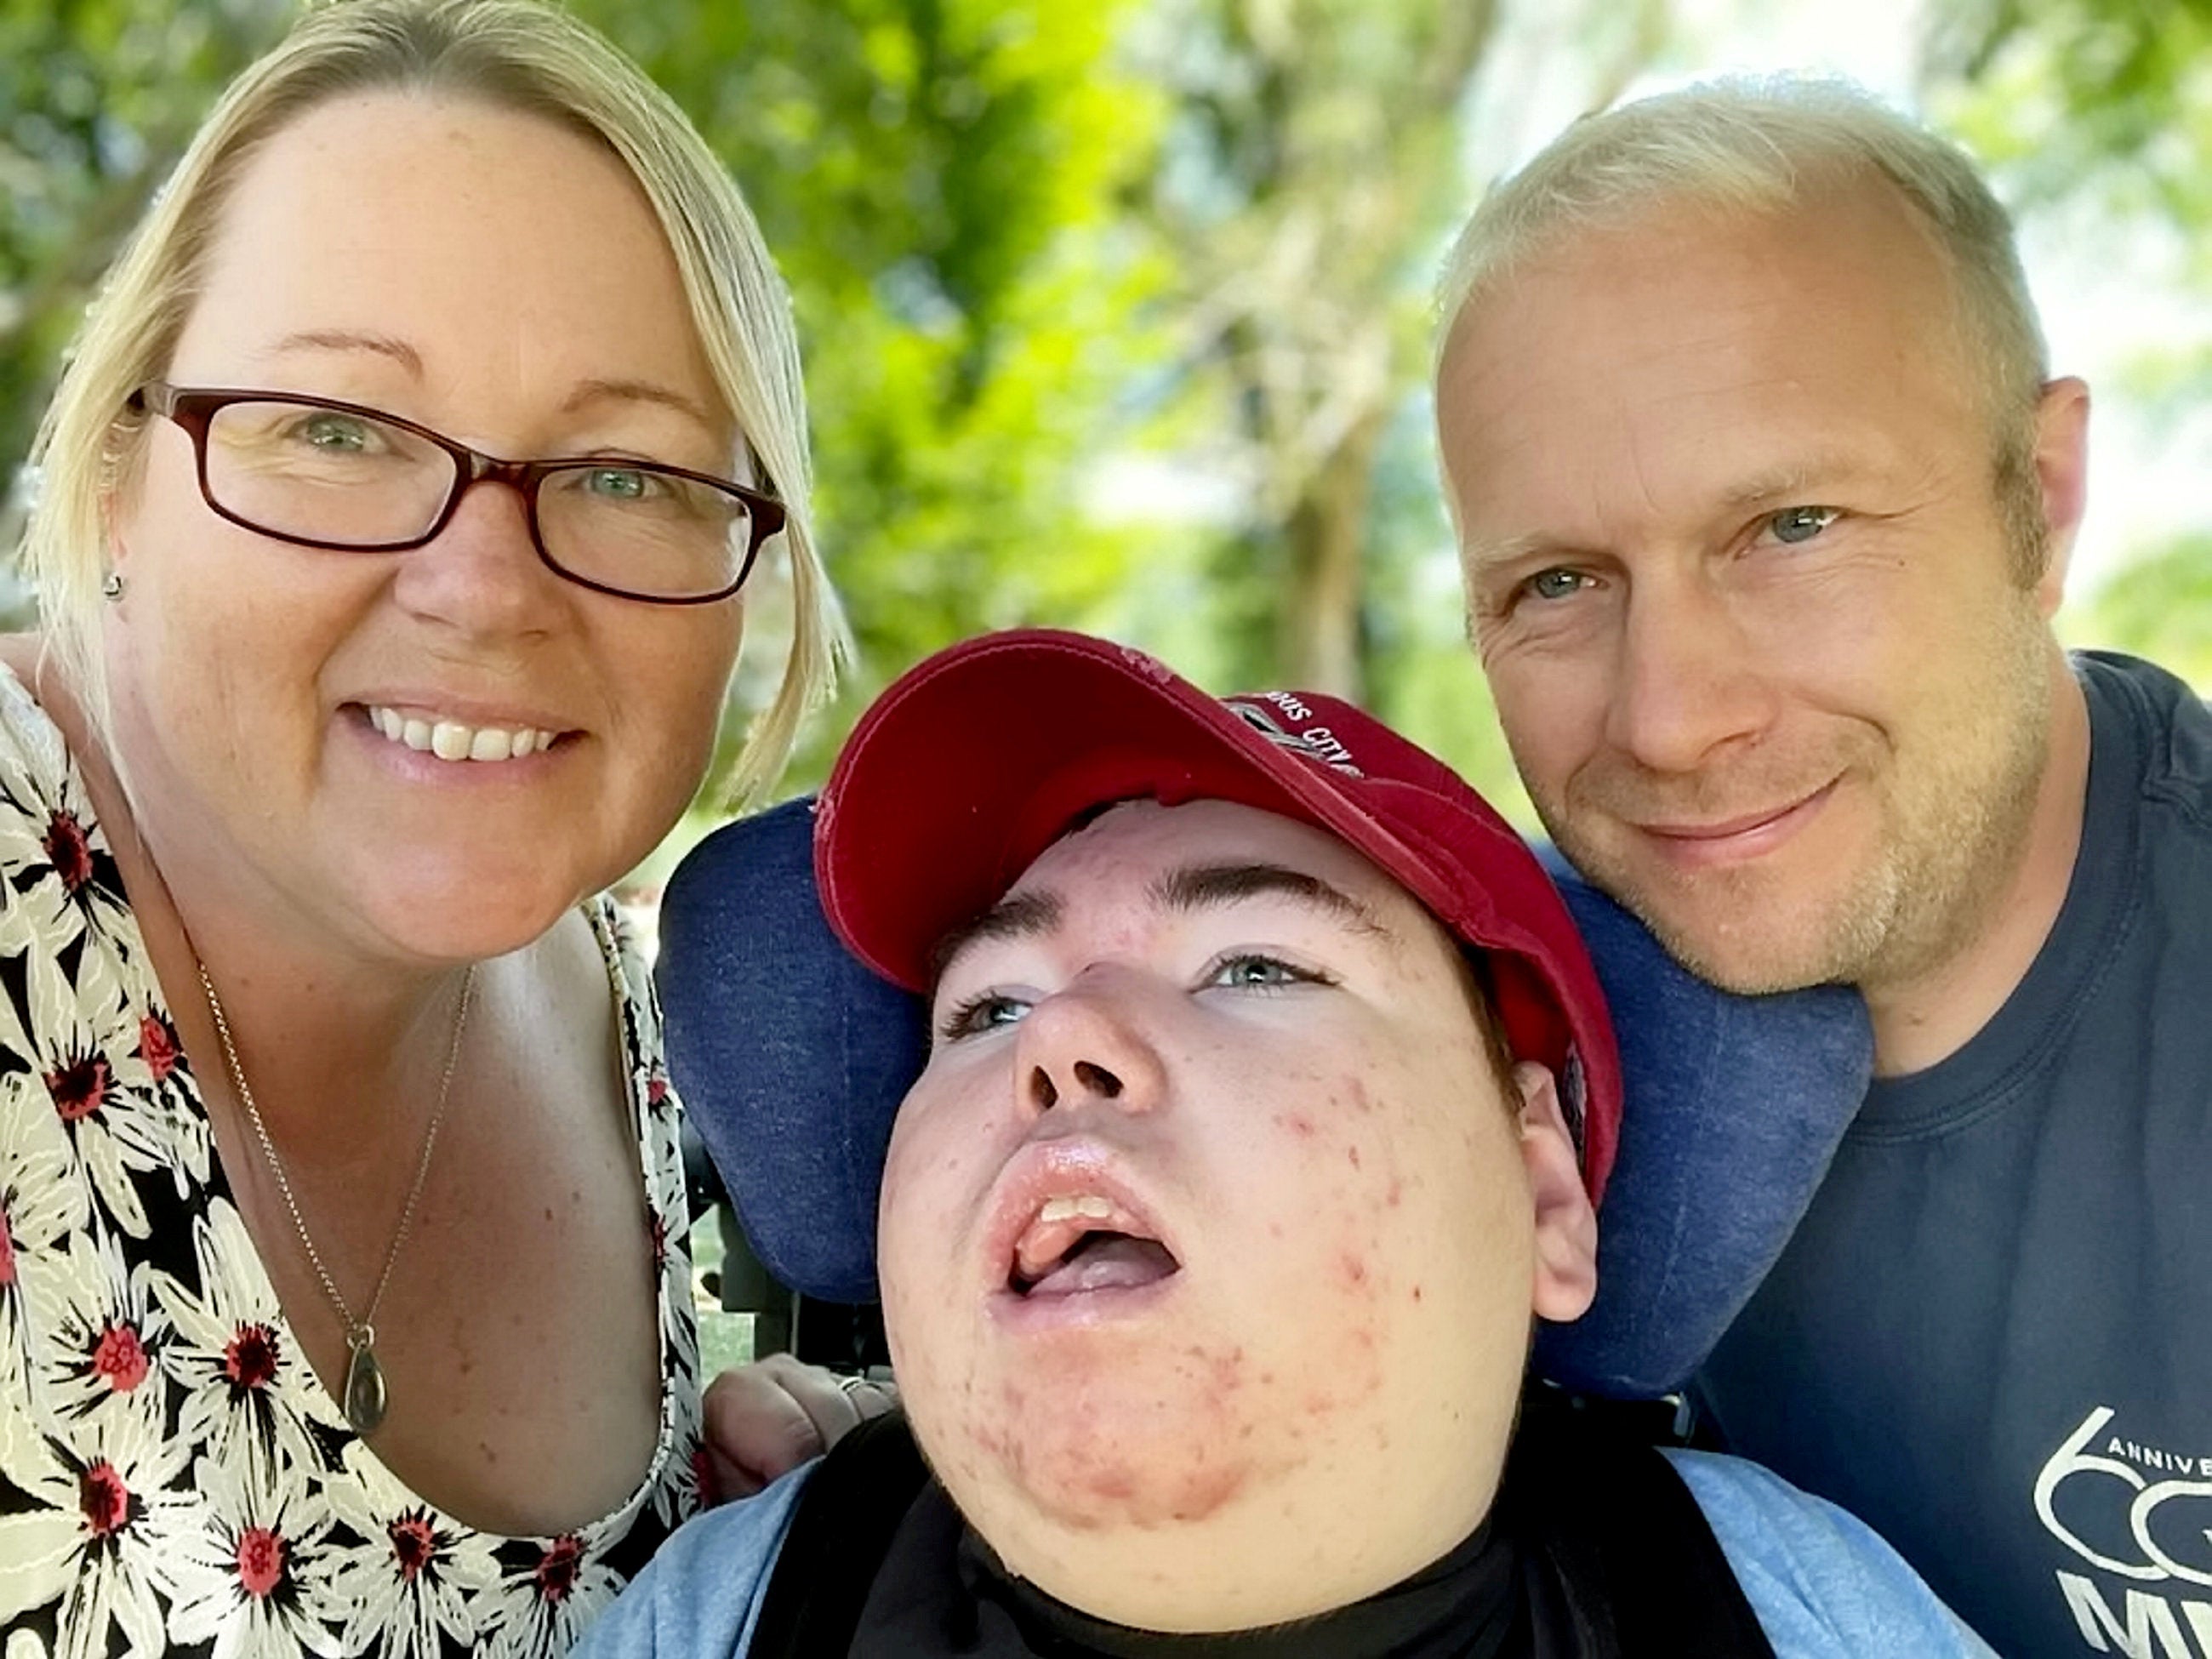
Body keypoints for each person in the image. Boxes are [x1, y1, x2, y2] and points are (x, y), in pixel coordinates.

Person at [580, 627, 1993, 1657]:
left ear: (1547, 1187)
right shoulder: (732, 1613)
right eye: (988, 1004)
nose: (1064, 1043)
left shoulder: (1782, 1604)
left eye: (1257, 965)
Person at [0, 2, 855, 1652]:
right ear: (115, 479)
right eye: (334, 431)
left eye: (627, 471)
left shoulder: (629, 1013)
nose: (482, 587)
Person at [1433, 78, 2211, 1657]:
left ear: (2040, 501)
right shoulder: (1492, 1044)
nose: (1671, 719)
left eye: (1792, 524)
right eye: (1560, 580)